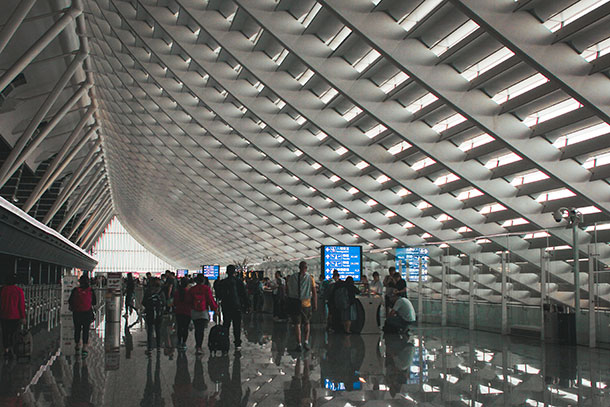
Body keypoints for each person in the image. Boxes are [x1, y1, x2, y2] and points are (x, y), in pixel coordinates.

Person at [215, 265, 249, 350]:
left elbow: (219, 295)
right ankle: (237, 343)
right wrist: (247, 305)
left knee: (226, 324)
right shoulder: (239, 282)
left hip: (226, 306)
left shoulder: (223, 282)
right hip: (236, 306)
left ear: (226, 272)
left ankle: (225, 342)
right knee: (237, 325)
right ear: (235, 272)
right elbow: (244, 294)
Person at [286, 261, 317, 351]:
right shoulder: (310, 278)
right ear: (306, 268)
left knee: (297, 324)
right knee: (307, 323)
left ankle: (299, 343)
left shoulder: (292, 277)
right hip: (306, 304)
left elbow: (288, 290)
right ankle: (306, 342)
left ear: (299, 267)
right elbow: (314, 292)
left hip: (295, 303)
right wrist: (315, 304)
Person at [187, 274, 217, 355]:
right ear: (203, 280)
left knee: (197, 329)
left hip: (194, 312)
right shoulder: (206, 289)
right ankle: (199, 346)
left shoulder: (192, 289)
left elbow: (188, 301)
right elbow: (210, 299)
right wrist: (215, 309)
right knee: (201, 330)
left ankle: (198, 346)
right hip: (203, 312)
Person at [68, 275, 97, 357]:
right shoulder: (91, 290)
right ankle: (84, 347)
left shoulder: (75, 290)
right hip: (87, 313)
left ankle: (77, 345)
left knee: (77, 329)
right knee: (85, 330)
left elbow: (70, 301)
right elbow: (94, 302)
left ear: (80, 282)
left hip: (77, 313)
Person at [0, 273, 25, 359]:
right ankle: (12, 349)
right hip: (15, 316)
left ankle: (6, 350)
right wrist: (23, 317)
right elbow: (21, 305)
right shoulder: (18, 290)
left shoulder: (2, 290)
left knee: (5, 333)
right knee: (14, 333)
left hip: (4, 315)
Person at [142, 278, 166, 355]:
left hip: (150, 313)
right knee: (158, 330)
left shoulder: (148, 292)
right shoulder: (161, 292)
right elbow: (164, 302)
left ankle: (149, 348)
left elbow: (144, 302)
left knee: (150, 330)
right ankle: (158, 347)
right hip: (159, 313)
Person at [173, 277, 191, 351]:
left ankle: (179, 342)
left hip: (179, 311)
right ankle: (184, 342)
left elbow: (175, 303)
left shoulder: (177, 292)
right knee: (185, 328)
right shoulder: (189, 292)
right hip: (187, 312)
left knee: (180, 327)